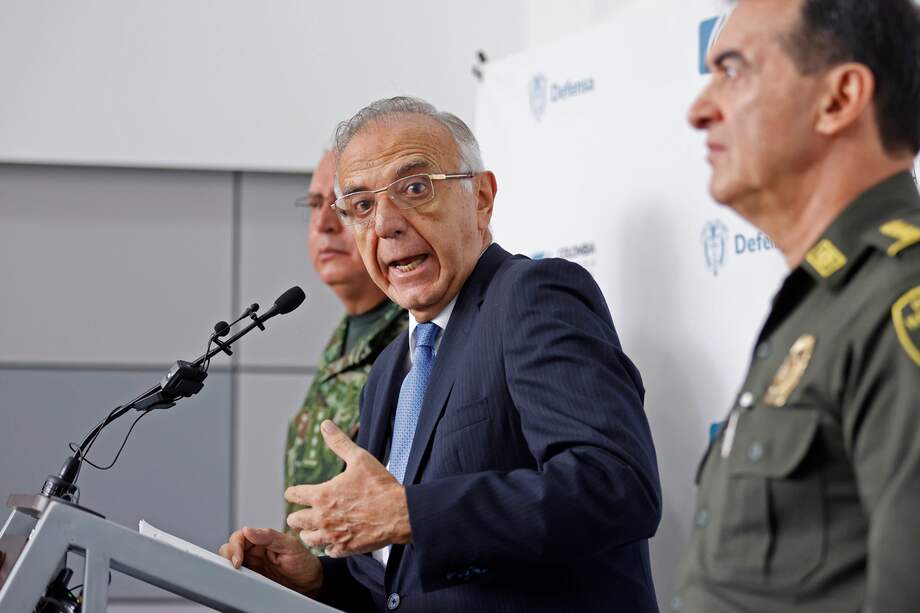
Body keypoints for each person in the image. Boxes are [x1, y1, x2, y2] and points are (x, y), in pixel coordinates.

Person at [220, 97, 662, 612]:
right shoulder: (390, 369)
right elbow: (401, 585)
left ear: (481, 198)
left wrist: (410, 514)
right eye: (361, 205)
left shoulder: (532, 296)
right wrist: (320, 580)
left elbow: (615, 488)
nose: (385, 223)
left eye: (414, 189)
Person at [673, 1, 920, 611]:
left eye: (733, 70)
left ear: (838, 99)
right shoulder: (821, 304)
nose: (699, 109)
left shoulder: (899, 300)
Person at [285, 149, 407, 534]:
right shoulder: (341, 340)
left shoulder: (416, 342)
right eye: (316, 204)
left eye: (343, 206)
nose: (323, 224)